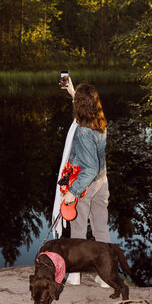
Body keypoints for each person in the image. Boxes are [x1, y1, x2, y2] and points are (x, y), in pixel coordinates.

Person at [60, 77, 111, 286]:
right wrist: (73, 93)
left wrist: (73, 190)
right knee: (101, 228)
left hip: (86, 185)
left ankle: (74, 274)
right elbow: (96, 167)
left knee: (78, 229)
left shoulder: (82, 131)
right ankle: (107, 276)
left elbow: (89, 168)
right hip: (103, 182)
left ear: (81, 106)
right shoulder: (99, 120)